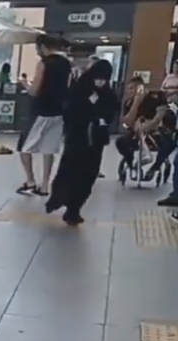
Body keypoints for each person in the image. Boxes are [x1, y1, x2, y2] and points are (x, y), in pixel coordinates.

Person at [46, 60, 118, 225]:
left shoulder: (108, 94)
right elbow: (70, 110)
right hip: (77, 137)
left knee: (89, 175)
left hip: (95, 141)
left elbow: (111, 112)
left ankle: (74, 208)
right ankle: (60, 198)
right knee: (70, 170)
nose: (101, 81)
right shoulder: (79, 89)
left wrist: (99, 118)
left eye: (104, 78)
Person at [16, 34, 71, 195]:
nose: (37, 52)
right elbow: (66, 86)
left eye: (37, 48)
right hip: (58, 112)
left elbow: (35, 91)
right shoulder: (66, 63)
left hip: (41, 111)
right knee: (49, 149)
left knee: (24, 148)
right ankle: (45, 185)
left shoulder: (43, 64)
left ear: (43, 47)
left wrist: (25, 83)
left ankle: (31, 180)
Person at [116, 76, 171, 182]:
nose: (130, 91)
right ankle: (131, 164)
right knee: (120, 142)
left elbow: (160, 115)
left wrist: (149, 125)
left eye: (132, 88)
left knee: (167, 145)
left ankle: (155, 167)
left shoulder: (155, 98)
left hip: (153, 131)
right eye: (129, 88)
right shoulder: (129, 102)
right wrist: (136, 103)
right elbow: (127, 123)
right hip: (136, 132)